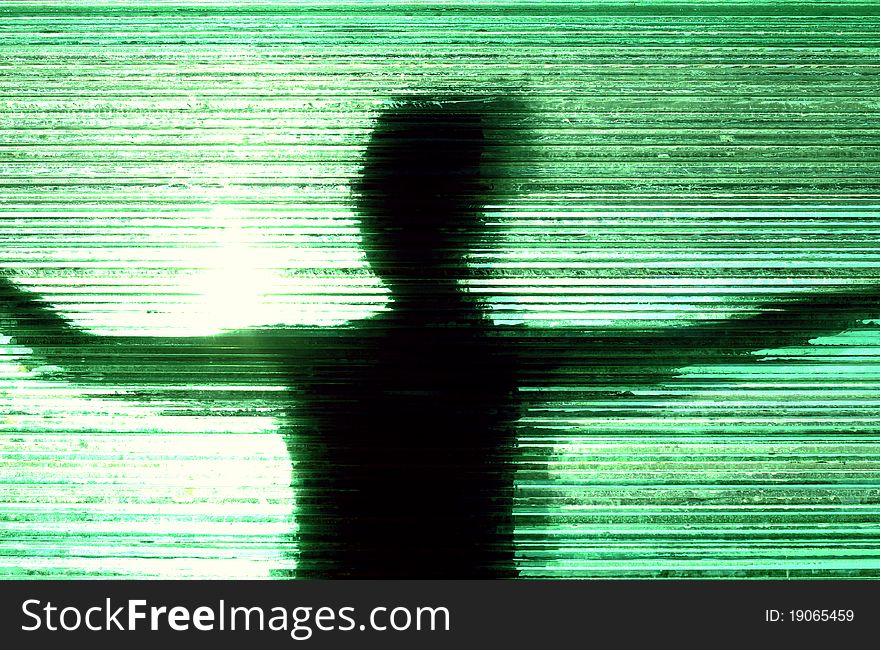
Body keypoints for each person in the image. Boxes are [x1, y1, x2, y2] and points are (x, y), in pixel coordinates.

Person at [2, 96, 878, 578]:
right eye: (377, 197)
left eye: (380, 197)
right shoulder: (489, 365)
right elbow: (726, 340)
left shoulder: (329, 362)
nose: (372, 217)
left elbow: (80, 354)